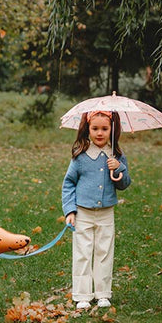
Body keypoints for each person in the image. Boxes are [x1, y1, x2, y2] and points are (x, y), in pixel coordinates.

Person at [61, 110, 131, 310]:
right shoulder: (81, 156)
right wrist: (70, 211)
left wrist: (119, 168)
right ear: (88, 129)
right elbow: (68, 184)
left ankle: (102, 293)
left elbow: (124, 184)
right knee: (83, 252)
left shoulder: (116, 155)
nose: (99, 133)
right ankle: (82, 294)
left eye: (104, 129)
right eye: (95, 128)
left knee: (104, 252)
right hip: (83, 211)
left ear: (112, 130)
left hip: (106, 212)